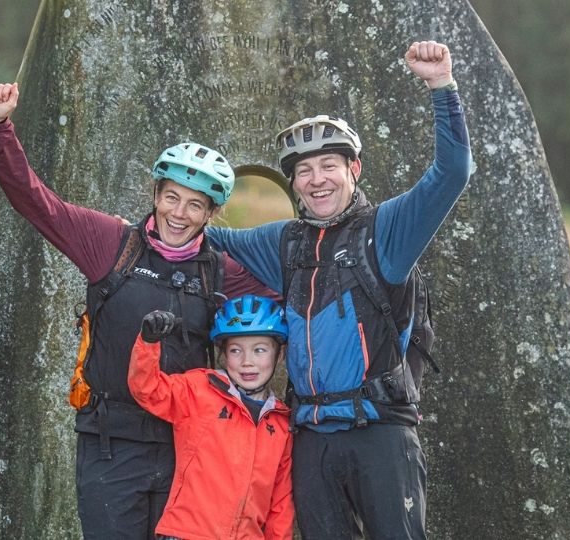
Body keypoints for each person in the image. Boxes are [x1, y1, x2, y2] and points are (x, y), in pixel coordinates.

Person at [204, 41, 473, 539]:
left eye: (329, 164)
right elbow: (198, 233)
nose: (316, 179)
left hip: (382, 433)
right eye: (303, 171)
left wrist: (441, 87)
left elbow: (452, 174)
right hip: (311, 440)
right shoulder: (284, 241)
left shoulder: (387, 229)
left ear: (355, 169)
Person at [0, 83, 272, 539]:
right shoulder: (112, 245)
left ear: (210, 213)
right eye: (172, 196)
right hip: (110, 443)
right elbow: (36, 202)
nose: (180, 213)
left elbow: (292, 299)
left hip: (186, 445)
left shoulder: (220, 270)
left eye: (196, 204)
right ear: (156, 193)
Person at [128, 295, 294, 540]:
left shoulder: (280, 423)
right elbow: (147, 389)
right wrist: (148, 342)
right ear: (224, 355)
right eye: (236, 350)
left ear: (279, 354)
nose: (248, 362)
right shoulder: (200, 390)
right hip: (187, 534)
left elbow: (280, 502)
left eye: (259, 350)